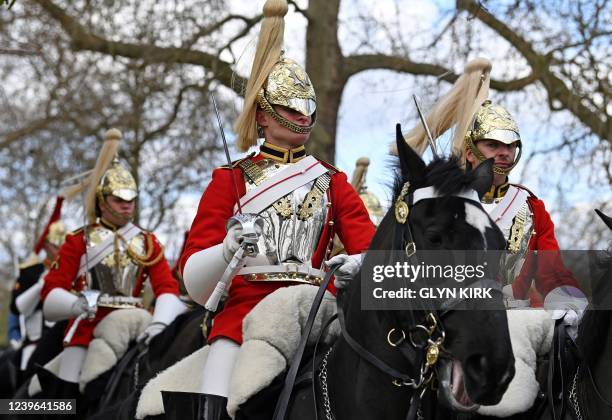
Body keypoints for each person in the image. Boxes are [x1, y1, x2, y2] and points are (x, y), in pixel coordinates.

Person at [178, 0, 375, 417]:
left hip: (316, 311)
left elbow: (371, 249)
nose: (300, 116)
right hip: (243, 318)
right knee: (214, 402)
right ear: (263, 115)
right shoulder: (230, 178)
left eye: (305, 107)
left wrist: (357, 264)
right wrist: (229, 247)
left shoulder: (332, 181)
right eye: (288, 107)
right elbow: (193, 280)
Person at [403, 57, 587, 337]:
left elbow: (552, 272)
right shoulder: (440, 201)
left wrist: (566, 298)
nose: (504, 152)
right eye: (493, 145)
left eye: (510, 146)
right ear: (469, 152)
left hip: (514, 324)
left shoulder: (531, 208)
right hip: (448, 318)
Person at [40, 128, 187, 403]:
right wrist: (77, 305)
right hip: (88, 325)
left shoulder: (148, 242)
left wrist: (160, 324)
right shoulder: (78, 241)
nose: (127, 206)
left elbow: (166, 286)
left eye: (131, 200)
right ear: (102, 200)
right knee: (65, 395)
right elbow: (51, 290)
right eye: (119, 200)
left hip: (136, 324)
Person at [9, 196, 66, 381]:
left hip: (66, 342)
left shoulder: (72, 271)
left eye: (63, 246)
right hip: (36, 341)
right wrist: (42, 283)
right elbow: (17, 308)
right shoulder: (31, 272)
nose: (59, 250)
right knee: (25, 374)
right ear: (47, 245)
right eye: (56, 245)